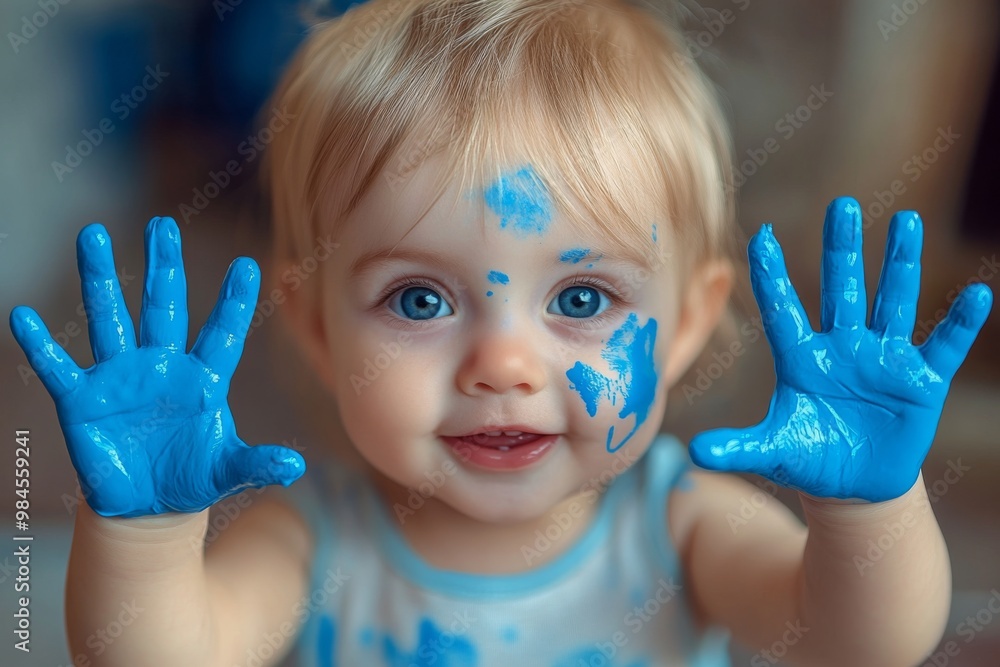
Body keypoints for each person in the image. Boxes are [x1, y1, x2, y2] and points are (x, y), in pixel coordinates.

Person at [9, 1, 993, 665]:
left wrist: (872, 510)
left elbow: (858, 642)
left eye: (579, 300)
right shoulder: (308, 542)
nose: (503, 365)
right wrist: (144, 533)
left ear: (688, 322)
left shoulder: (685, 524)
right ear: (313, 327)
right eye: (420, 301)